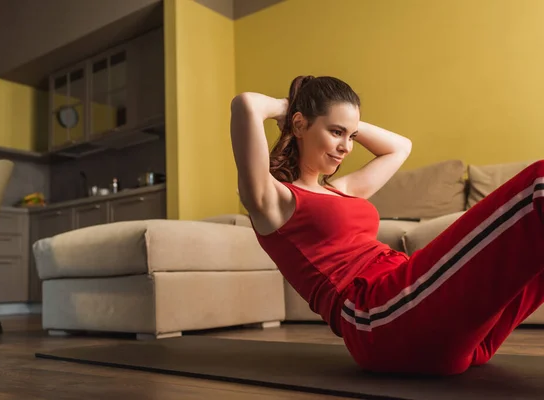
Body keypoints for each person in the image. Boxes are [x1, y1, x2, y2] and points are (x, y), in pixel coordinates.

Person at [229, 75, 544, 376]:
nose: (347, 147)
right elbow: (247, 105)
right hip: (379, 317)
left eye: (351, 136)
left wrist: (339, 120)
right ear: (299, 124)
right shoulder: (275, 201)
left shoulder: (344, 189)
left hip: (430, 316)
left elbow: (400, 146)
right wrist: (297, 106)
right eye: (336, 132)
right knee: (538, 184)